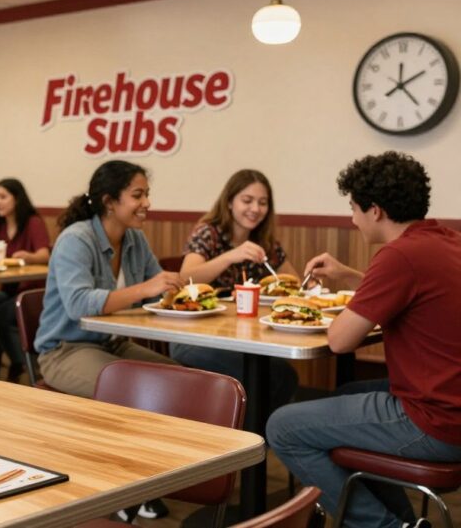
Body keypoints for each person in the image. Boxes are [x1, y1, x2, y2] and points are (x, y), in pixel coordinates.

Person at [267, 152, 461, 528]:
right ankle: (402, 520)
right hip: (452, 406)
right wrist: (350, 276)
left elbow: (339, 341)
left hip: (434, 421)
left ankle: (384, 527)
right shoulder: (445, 241)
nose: (352, 218)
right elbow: (412, 292)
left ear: (375, 211)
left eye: (354, 208)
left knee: (282, 427)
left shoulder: (399, 256)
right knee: (343, 395)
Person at [35, 160, 181, 398]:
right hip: (65, 351)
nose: (147, 203)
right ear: (109, 202)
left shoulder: (136, 239)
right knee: (136, 391)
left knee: (180, 378)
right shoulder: (76, 240)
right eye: (138, 195)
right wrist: (144, 289)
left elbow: (159, 292)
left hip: (114, 345)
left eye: (147, 194)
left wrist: (177, 294)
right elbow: (78, 304)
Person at [173, 169, 299, 412]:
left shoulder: (264, 241)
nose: (255, 209)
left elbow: (291, 282)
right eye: (247, 200)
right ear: (229, 201)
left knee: (281, 374)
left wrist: (307, 285)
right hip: (193, 337)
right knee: (276, 376)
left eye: (262, 203)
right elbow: (186, 278)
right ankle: (250, 435)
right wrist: (231, 255)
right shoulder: (208, 232)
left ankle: (256, 434)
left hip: (239, 336)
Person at [0, 178, 50, 382]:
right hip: (9, 287)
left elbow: (45, 254)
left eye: (3, 197)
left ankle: (22, 365)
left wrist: (29, 256)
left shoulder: (33, 222)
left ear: (17, 199)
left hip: (31, 289)